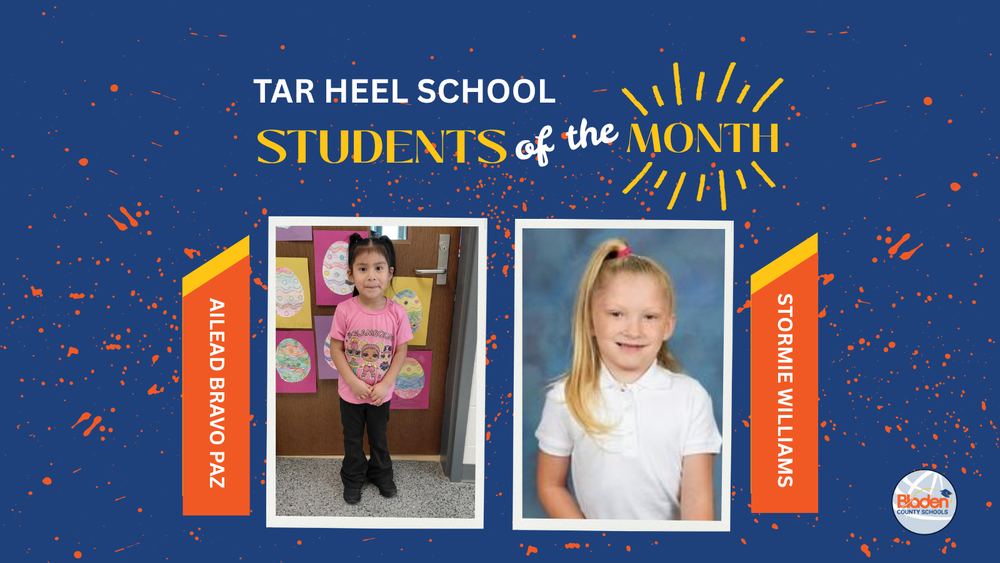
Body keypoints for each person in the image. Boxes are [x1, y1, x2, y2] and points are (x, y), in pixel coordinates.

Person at [535, 238, 722, 520]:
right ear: (590, 321)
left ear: (668, 326)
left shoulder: (691, 398)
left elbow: (698, 502)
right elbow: (551, 486)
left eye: (649, 316)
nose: (633, 330)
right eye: (617, 314)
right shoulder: (565, 397)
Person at [328, 232, 413, 505]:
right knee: (352, 439)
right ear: (351, 274)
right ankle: (353, 477)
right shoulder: (344, 310)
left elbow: (401, 350)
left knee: (379, 438)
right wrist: (353, 381)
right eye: (362, 269)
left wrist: (386, 384)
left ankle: (381, 473)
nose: (371, 276)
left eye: (378, 268)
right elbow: (336, 349)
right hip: (350, 394)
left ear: (390, 273)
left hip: (381, 395)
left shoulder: (397, 313)